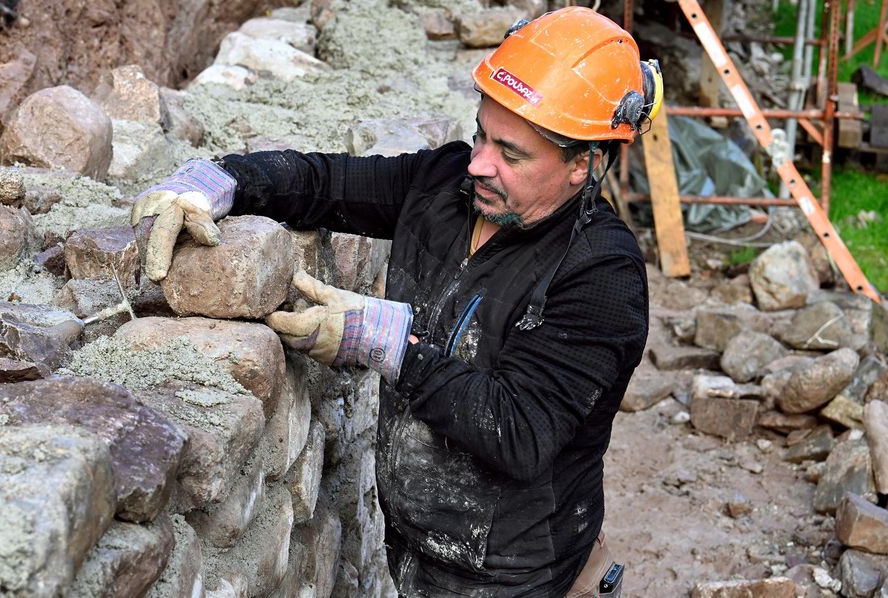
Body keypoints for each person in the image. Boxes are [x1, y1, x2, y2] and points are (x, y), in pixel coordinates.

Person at [131, 7, 662, 596]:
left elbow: (521, 431)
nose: (480, 162)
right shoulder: (446, 187)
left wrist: (388, 344)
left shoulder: (600, 274)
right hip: (414, 549)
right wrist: (219, 180)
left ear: (582, 165)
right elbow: (324, 183)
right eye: (481, 133)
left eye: (511, 155)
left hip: (516, 574)